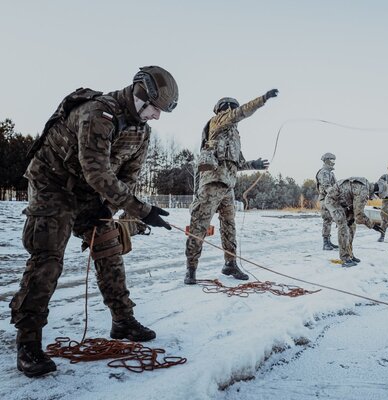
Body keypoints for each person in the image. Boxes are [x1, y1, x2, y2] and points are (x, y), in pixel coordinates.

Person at [9, 66, 177, 377]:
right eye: (155, 109)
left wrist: (118, 211)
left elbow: (128, 176)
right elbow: (97, 171)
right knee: (47, 258)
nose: (156, 117)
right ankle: (28, 342)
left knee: (108, 245)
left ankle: (122, 320)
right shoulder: (98, 113)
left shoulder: (142, 131)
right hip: (53, 185)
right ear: (141, 96)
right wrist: (143, 210)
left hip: (90, 192)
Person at [184, 89, 278, 284]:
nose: (234, 113)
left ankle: (230, 264)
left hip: (228, 187)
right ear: (224, 109)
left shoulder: (233, 135)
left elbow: (237, 163)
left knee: (229, 227)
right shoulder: (219, 121)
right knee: (199, 226)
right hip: (211, 184)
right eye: (232, 109)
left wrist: (254, 164)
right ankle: (191, 269)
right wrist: (263, 99)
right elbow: (242, 112)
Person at [323, 177, 386, 267]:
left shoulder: (366, 185)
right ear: (377, 191)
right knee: (343, 226)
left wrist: (352, 218)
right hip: (333, 202)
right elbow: (359, 216)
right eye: (377, 196)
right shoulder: (364, 191)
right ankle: (345, 258)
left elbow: (354, 204)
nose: (375, 198)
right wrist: (372, 225)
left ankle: (350, 254)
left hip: (345, 204)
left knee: (352, 226)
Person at [316, 152, 339, 250]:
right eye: (331, 160)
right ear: (326, 160)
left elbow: (335, 186)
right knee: (327, 220)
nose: (333, 162)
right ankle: (325, 243)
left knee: (329, 220)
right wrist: (336, 194)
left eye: (334, 160)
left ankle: (328, 241)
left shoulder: (330, 173)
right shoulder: (323, 172)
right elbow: (327, 186)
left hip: (330, 199)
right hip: (325, 199)